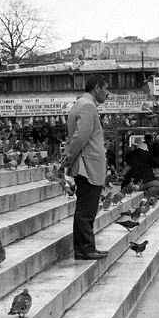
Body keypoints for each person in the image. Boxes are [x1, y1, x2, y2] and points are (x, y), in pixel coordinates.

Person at [61, 75, 110, 260]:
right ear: (97, 88)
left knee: (86, 209)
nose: (108, 93)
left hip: (85, 164)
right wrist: (69, 158)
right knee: (86, 210)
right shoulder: (88, 106)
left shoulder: (80, 104)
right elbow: (80, 138)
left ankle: (87, 247)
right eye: (105, 89)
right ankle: (84, 249)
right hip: (88, 166)